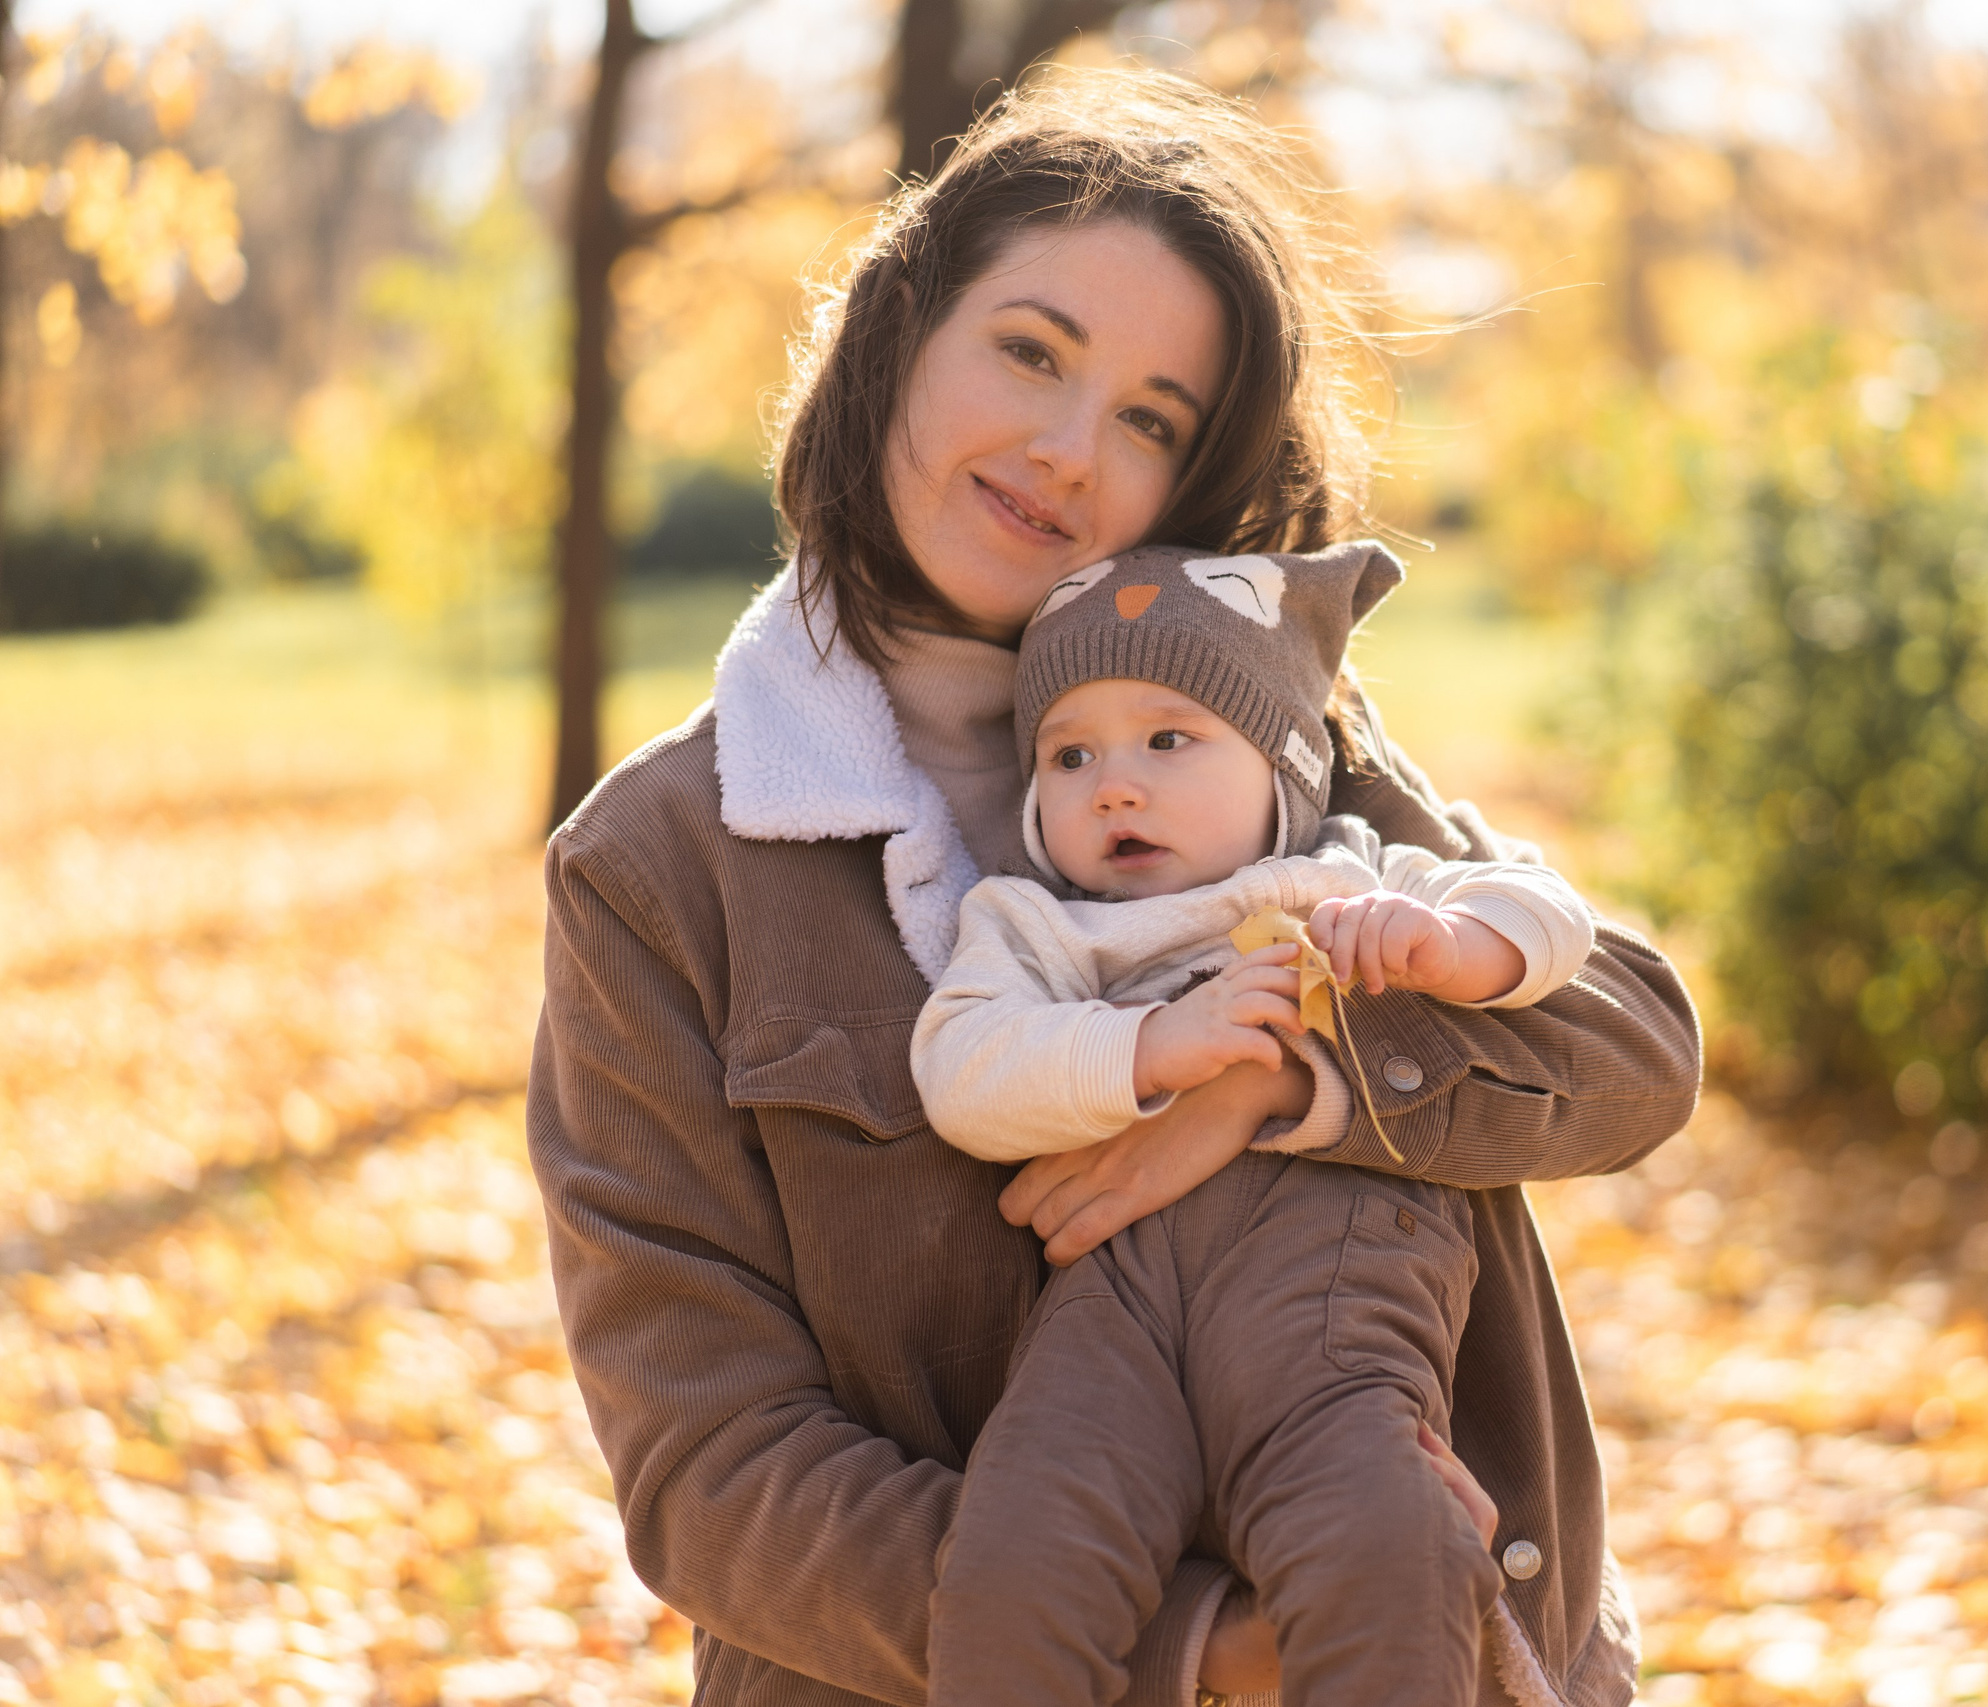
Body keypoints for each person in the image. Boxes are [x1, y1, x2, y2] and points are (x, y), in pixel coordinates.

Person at [527, 67, 1701, 1707]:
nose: (1071, 452)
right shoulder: (660, 867)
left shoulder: (1260, 738)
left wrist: (1291, 1077)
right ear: (898, 334)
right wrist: (1194, 1647)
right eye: (1031, 351)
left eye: (1152, 418)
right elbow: (711, 1463)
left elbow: (1631, 1042)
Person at [914, 539, 1597, 1707]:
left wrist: (1449, 946)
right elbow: (962, 1067)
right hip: (1111, 1307)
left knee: (1385, 1537)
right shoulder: (1039, 928)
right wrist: (1148, 1047)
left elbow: (1552, 916)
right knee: (1013, 1555)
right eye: (1068, 756)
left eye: (1168, 739)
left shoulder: (1345, 877)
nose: (1113, 785)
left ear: (1284, 767)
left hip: (1328, 1286)